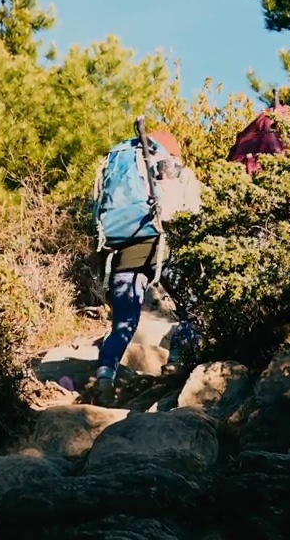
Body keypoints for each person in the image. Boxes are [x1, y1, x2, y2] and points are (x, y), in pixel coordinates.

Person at [90, 128, 202, 406]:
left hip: (125, 254)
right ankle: (176, 362)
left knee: (122, 326)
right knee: (194, 309)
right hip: (163, 251)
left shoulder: (119, 167)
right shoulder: (178, 170)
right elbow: (193, 212)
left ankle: (104, 379)